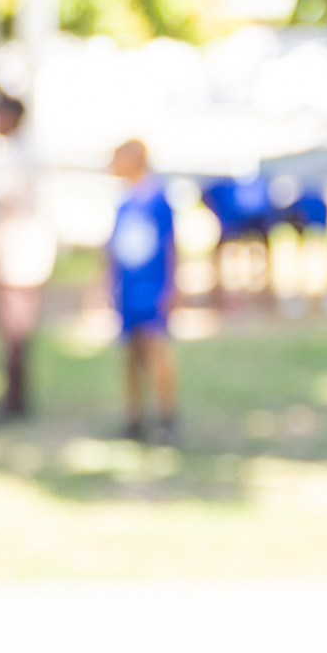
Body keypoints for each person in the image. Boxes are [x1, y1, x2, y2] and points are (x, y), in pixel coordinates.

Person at [0, 94, 56, 420]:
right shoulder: (26, 154)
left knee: (13, 331)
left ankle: (14, 402)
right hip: (27, 253)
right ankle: (14, 397)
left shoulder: (10, 159)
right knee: (15, 331)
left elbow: (4, 214)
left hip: (17, 254)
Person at [106, 138, 180, 443]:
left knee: (156, 351)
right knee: (130, 355)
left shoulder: (159, 199)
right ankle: (134, 418)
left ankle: (167, 418)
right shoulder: (124, 202)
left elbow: (171, 246)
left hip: (153, 288)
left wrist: (173, 287)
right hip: (127, 288)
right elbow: (112, 248)